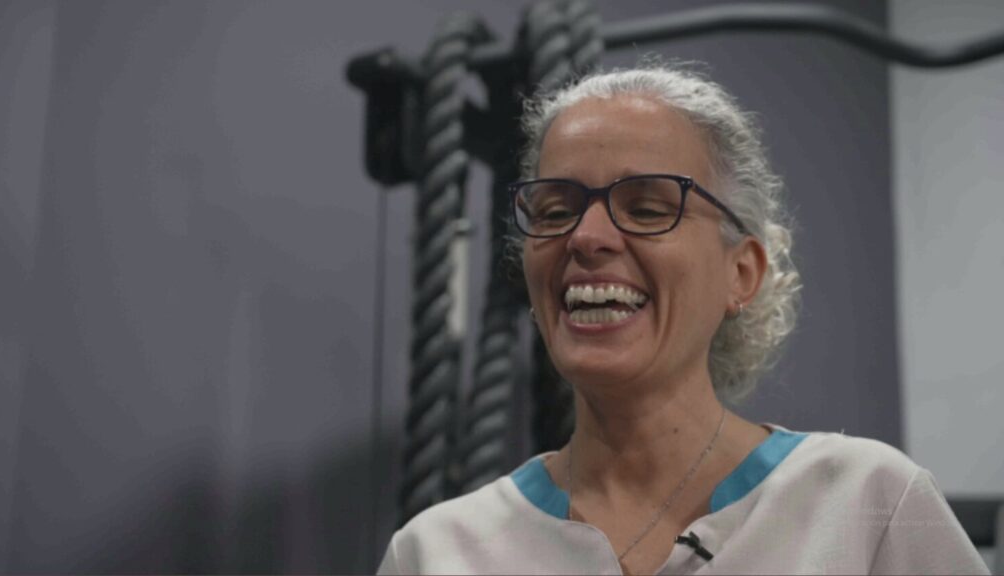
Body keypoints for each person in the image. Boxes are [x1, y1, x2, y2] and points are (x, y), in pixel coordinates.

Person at [377, 63, 989, 575]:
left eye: (646, 208)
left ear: (741, 273)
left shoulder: (867, 507)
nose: (585, 237)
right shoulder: (436, 553)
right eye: (556, 210)